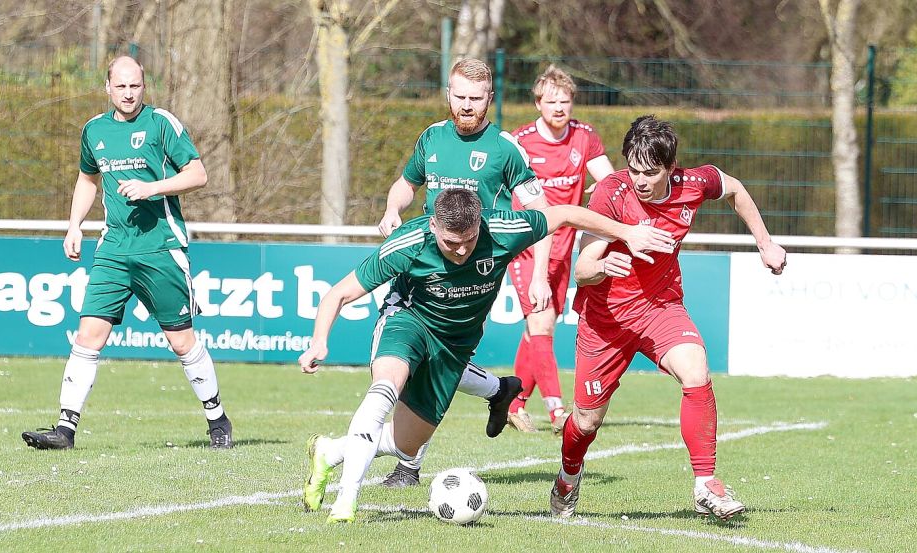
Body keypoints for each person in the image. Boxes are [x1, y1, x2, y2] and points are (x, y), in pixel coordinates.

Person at [300, 187, 675, 523]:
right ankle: (346, 501)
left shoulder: (502, 230)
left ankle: (329, 452)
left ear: (479, 223)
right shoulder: (408, 242)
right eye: (451, 243)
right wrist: (319, 341)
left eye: (469, 240)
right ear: (433, 225)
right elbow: (339, 293)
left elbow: (565, 214)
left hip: (454, 347)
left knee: (404, 444)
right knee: (385, 387)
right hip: (408, 320)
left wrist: (626, 232)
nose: (462, 250)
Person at [550, 115, 787, 521]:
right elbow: (583, 270)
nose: (640, 181)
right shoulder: (612, 193)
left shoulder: (692, 184)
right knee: (586, 421)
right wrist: (606, 264)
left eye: (650, 172)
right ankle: (568, 475)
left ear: (671, 168)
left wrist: (765, 243)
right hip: (607, 321)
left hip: (660, 307)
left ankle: (706, 485)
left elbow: (734, 189)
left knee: (696, 370)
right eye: (633, 170)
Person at [21, 56, 233, 451]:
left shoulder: (161, 123)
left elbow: (198, 174)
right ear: (107, 87)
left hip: (161, 247)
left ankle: (218, 420)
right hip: (114, 248)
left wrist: (152, 188)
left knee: (182, 342)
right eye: (121, 86)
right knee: (88, 335)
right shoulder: (94, 130)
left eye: (134, 85)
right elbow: (88, 179)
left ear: (143, 86)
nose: (128, 93)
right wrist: (74, 225)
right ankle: (65, 430)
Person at [376, 58, 555, 487]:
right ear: (448, 95)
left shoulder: (505, 148)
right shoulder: (432, 137)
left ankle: (409, 463)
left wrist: (540, 275)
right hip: (424, 263)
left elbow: (543, 212)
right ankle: (497, 391)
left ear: (490, 98)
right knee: (418, 359)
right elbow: (406, 183)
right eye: (460, 97)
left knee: (433, 361)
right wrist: (391, 209)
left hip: (474, 272)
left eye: (476, 98)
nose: (467, 105)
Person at [504, 65, 615, 434]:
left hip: (564, 250)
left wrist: (601, 192)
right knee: (542, 323)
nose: (558, 108)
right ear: (538, 103)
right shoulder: (520, 141)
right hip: (527, 247)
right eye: (551, 101)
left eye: (565, 101)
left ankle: (513, 404)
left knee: (536, 330)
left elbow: (610, 181)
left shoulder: (584, 137)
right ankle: (557, 411)